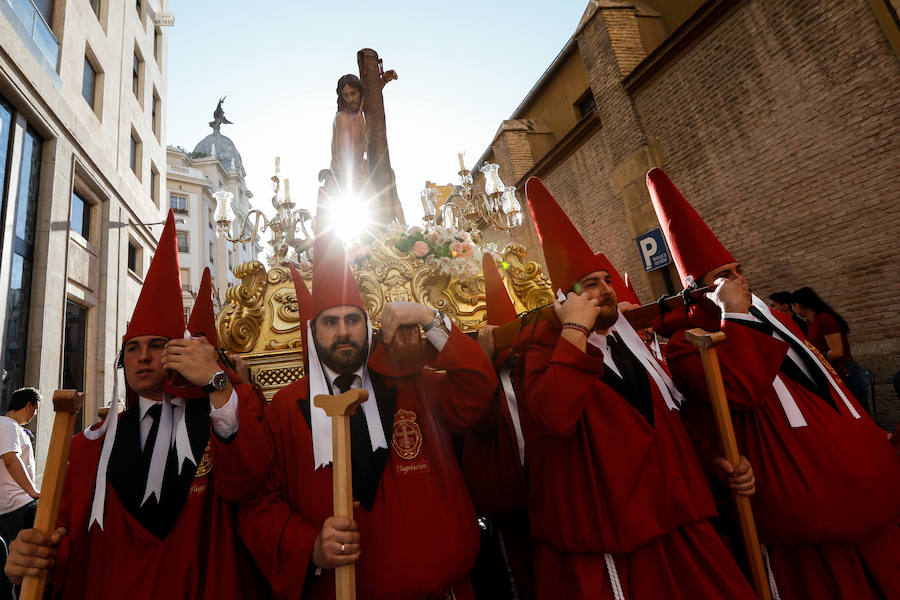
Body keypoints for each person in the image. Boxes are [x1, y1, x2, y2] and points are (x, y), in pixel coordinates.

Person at [647, 167, 900, 599]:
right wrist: (738, 316)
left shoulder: (779, 321)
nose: (738, 282)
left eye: (738, 270)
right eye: (721, 277)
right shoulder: (686, 347)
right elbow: (742, 390)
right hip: (797, 509)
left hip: (862, 488)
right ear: (697, 291)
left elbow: (827, 386)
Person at [217, 231, 498, 599]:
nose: (343, 331)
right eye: (330, 323)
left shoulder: (414, 385)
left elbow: (479, 386)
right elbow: (257, 506)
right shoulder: (284, 410)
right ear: (313, 332)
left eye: (352, 319)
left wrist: (431, 318)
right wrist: (310, 546)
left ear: (367, 327)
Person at [517, 177, 757, 599]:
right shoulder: (543, 352)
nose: (606, 290)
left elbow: (667, 418)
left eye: (606, 280)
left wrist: (712, 461)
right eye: (589, 283)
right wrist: (574, 328)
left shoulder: (631, 349)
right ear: (564, 298)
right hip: (617, 538)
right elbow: (553, 416)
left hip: (680, 519)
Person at [4, 216, 267, 599]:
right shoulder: (87, 447)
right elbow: (65, 545)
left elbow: (251, 484)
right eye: (132, 347)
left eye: (158, 345)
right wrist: (27, 565)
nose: (143, 357)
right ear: (121, 361)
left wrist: (219, 383)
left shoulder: (219, 426)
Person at [460, 254, 532, 600]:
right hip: (505, 503)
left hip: (545, 495)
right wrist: (484, 364)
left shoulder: (531, 374)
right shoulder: (479, 383)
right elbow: (481, 423)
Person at [791, 286, 868, 408]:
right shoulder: (810, 322)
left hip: (846, 371)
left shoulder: (825, 319)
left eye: (793, 306)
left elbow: (837, 352)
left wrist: (816, 358)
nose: (794, 311)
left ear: (799, 305)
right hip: (833, 372)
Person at [0, 388, 39, 549]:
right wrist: (33, 492)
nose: (34, 415)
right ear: (29, 406)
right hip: (16, 505)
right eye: (35, 410)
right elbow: (10, 460)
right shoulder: (8, 425)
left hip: (16, 505)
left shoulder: (11, 426)